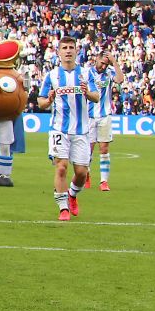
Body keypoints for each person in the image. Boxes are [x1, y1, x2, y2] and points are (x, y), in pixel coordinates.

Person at [38, 36, 101, 221]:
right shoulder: (52, 75)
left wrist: (86, 92)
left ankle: (72, 195)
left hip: (81, 131)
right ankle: (63, 208)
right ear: (58, 52)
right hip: (59, 129)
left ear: (76, 51)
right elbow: (40, 102)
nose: (67, 51)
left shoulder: (86, 74)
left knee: (81, 173)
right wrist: (48, 100)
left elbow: (96, 97)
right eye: (64, 47)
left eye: (71, 47)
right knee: (61, 167)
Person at [89, 50, 118, 191]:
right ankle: (86, 174)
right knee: (88, 149)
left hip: (105, 115)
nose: (104, 67)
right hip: (89, 116)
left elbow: (120, 80)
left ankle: (103, 181)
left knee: (104, 148)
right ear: (96, 60)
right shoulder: (86, 72)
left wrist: (115, 62)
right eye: (102, 63)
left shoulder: (109, 72)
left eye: (106, 64)